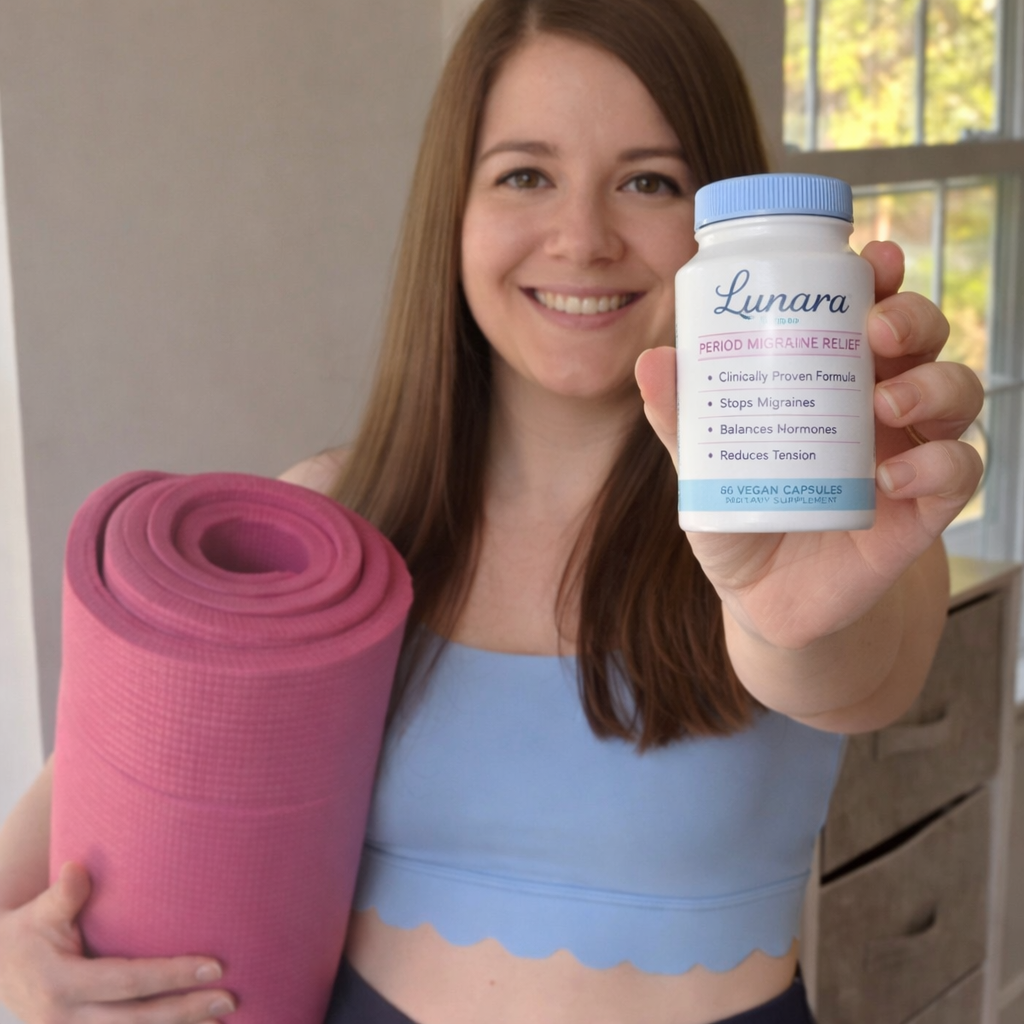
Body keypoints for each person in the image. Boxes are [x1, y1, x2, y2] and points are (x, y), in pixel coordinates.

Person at [0, 0, 984, 1022]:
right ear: (453, 211)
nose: (582, 237)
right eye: (525, 174)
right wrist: (16, 969)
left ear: (724, 221)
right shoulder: (331, 519)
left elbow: (842, 670)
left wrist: (777, 604)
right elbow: (78, 823)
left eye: (649, 180)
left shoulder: (838, 517)